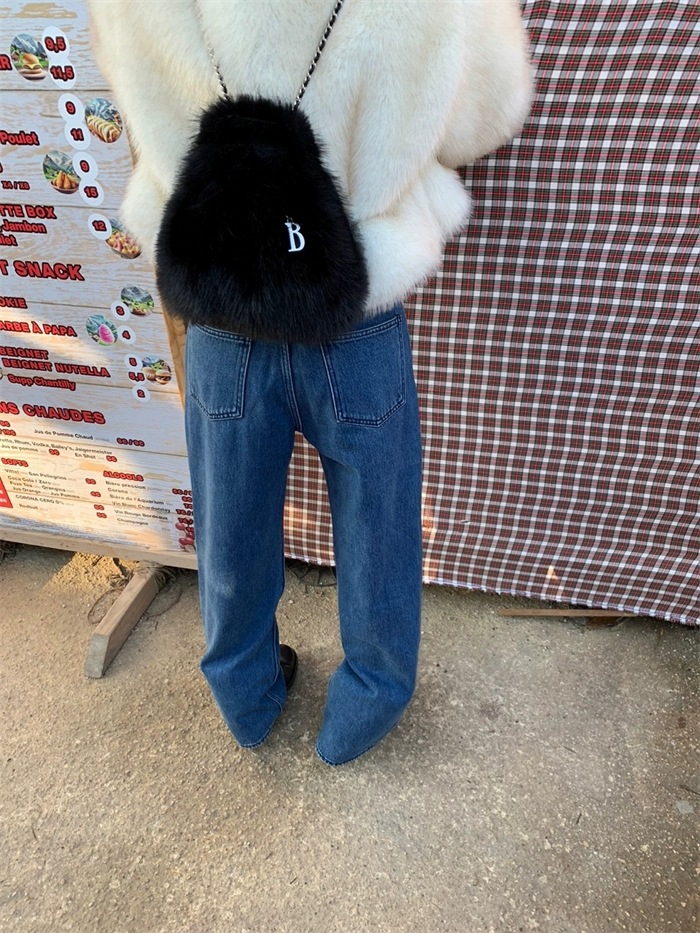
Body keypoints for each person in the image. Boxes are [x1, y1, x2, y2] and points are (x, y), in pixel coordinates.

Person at [87, 0, 532, 765]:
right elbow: (485, 117)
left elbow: (130, 94)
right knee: (378, 521)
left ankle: (246, 698)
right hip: (352, 302)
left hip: (225, 304)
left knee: (230, 522)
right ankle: (365, 705)